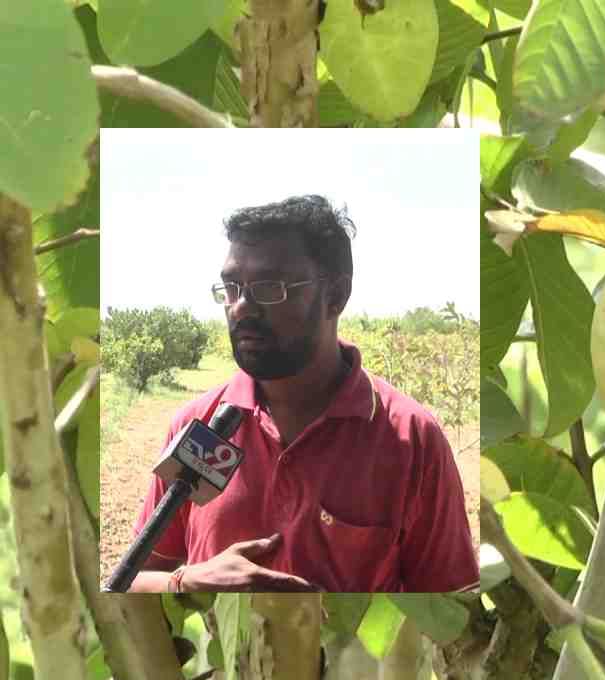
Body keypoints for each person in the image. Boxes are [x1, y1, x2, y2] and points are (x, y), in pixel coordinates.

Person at [127, 195, 479, 593]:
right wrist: (185, 581)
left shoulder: (412, 439)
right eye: (231, 287)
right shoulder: (198, 425)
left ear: (336, 296)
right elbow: (131, 579)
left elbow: (448, 605)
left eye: (269, 287)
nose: (241, 308)